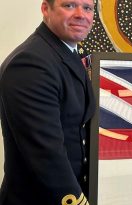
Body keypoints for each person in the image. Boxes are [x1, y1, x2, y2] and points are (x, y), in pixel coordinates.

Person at [0, 0, 95, 204]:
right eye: (69, 6)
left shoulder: (64, 53)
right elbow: (47, 154)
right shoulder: (30, 63)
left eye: (87, 8)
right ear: (45, 9)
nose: (81, 14)